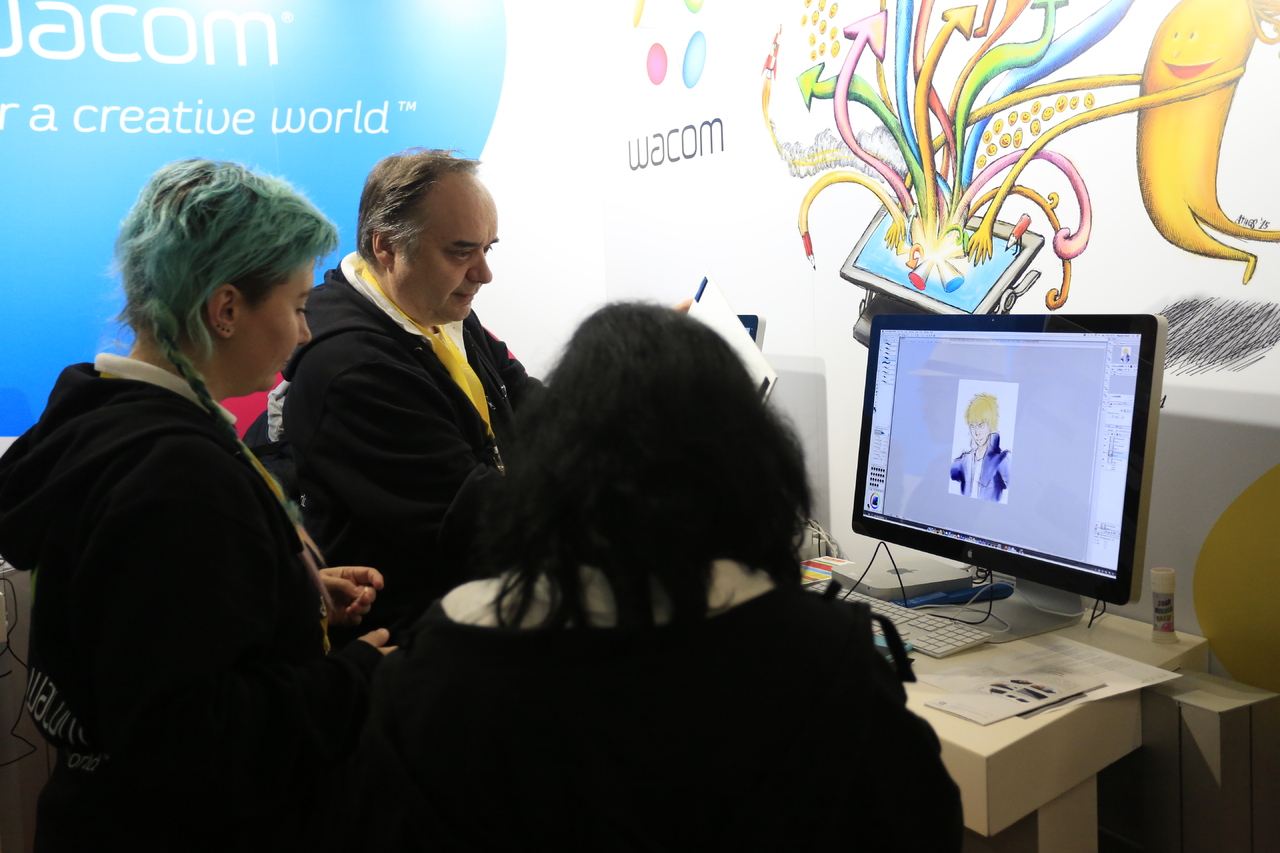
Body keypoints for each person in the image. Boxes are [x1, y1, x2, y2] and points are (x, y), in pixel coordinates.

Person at [343, 304, 963, 851]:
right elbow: (922, 823)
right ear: (748, 465)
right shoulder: (828, 660)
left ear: (547, 464)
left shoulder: (434, 672)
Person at [0, 160, 392, 851]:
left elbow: (140, 625)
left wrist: (285, 591)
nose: (306, 333)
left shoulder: (102, 420)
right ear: (226, 309)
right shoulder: (179, 477)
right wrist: (353, 675)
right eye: (299, 306)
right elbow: (192, 741)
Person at [279, 148, 538, 643]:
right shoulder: (354, 368)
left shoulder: (432, 305)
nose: (484, 273)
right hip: (417, 644)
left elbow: (526, 402)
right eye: (461, 252)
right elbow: (476, 518)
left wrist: (619, 393)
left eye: (488, 249)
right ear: (386, 247)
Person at [950, 392, 1011, 502]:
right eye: (972, 426)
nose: (977, 433)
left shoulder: (1002, 460)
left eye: (981, 426)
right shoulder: (965, 460)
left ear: (991, 425)